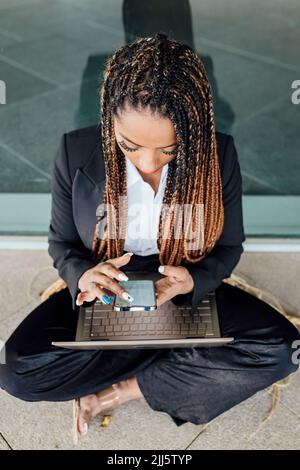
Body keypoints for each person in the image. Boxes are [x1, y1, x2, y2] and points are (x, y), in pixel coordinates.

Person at [0, 33, 299, 443]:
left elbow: (230, 247)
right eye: (130, 146)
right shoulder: (74, 152)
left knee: (282, 350)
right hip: (109, 288)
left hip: (182, 283)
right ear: (109, 121)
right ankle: (178, 355)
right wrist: (83, 276)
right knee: (17, 372)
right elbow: (61, 243)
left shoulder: (218, 153)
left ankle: (119, 389)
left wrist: (194, 282)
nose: (147, 163)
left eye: (169, 150)